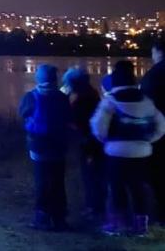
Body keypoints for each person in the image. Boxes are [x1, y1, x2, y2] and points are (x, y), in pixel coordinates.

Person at [91, 60, 165, 236]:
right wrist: (148, 140)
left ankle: (118, 224)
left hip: (116, 153)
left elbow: (98, 127)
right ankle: (141, 226)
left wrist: (107, 141)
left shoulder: (110, 101)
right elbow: (161, 126)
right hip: (141, 153)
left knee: (117, 188)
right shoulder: (147, 101)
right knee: (138, 188)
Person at [19, 64, 71, 230]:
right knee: (58, 182)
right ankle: (59, 218)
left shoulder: (31, 96)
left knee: (42, 181)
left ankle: (42, 217)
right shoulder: (62, 97)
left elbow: (22, 114)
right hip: (59, 147)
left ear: (38, 78)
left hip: (38, 145)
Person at [63, 67, 104, 219]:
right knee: (93, 173)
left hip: (89, 141)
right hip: (93, 140)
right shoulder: (92, 94)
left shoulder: (83, 99)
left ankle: (94, 207)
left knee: (91, 174)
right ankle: (95, 205)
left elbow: (76, 120)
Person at [139, 38, 165, 222]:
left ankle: (161, 214)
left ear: (157, 52)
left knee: (158, 174)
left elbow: (145, 106)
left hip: (159, 135)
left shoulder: (153, 76)